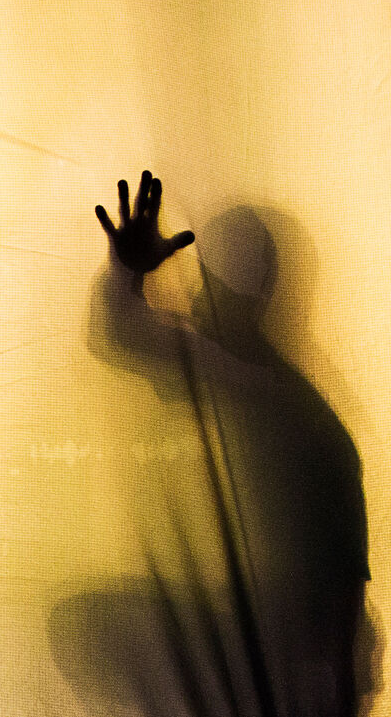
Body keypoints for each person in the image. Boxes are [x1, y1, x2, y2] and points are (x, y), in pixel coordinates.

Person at [53, 172, 373, 716]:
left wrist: (126, 273)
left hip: (297, 659)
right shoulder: (286, 400)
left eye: (208, 285)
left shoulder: (254, 390)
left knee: (86, 626)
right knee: (92, 624)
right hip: (301, 656)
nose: (195, 301)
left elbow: (121, 337)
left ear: (239, 300)